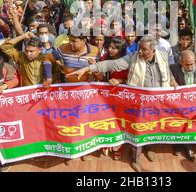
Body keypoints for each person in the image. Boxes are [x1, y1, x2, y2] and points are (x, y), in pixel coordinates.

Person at [67, 36, 176, 172]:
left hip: (156, 100)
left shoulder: (163, 55)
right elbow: (110, 64)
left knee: (151, 126)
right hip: (138, 101)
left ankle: (149, 148)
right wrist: (88, 69)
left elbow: (168, 69)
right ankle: (135, 158)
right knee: (138, 128)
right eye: (139, 48)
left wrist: (172, 80)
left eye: (144, 50)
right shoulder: (133, 58)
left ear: (153, 50)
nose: (140, 52)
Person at [170, 50, 196, 161]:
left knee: (190, 126)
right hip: (178, 105)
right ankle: (177, 144)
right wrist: (171, 80)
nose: (191, 67)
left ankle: (188, 147)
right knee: (177, 125)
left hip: (195, 105)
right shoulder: (172, 69)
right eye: (187, 64)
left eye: (192, 63)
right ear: (180, 63)